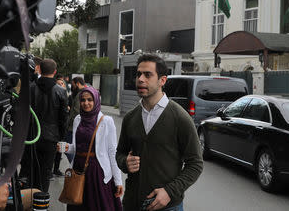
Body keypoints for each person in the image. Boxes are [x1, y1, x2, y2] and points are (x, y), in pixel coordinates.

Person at [116, 54, 203, 211]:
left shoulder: (180, 118)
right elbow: (120, 153)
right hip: (132, 203)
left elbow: (195, 164)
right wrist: (125, 162)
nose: (140, 79)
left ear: (162, 80)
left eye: (147, 75)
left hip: (167, 206)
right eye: (138, 74)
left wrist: (169, 192)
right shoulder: (130, 117)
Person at [60, 86, 123, 211]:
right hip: (78, 168)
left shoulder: (106, 121)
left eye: (90, 100)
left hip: (96, 172)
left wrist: (118, 181)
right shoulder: (78, 119)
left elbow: (112, 152)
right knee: (77, 202)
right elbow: (77, 147)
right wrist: (67, 148)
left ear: (96, 101)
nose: (86, 103)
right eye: (83, 100)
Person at [29, 59, 68, 192]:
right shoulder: (61, 91)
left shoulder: (31, 88)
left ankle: (30, 200)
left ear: (39, 70)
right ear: (55, 72)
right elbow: (63, 118)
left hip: (32, 136)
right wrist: (61, 137)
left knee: (32, 170)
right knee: (46, 173)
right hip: (51, 137)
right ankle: (41, 201)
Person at [64, 76, 86, 163]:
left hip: (73, 127)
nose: (72, 87)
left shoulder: (80, 94)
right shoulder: (84, 92)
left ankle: (75, 166)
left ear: (77, 84)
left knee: (67, 148)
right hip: (77, 127)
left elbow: (76, 112)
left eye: (73, 85)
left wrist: (69, 123)